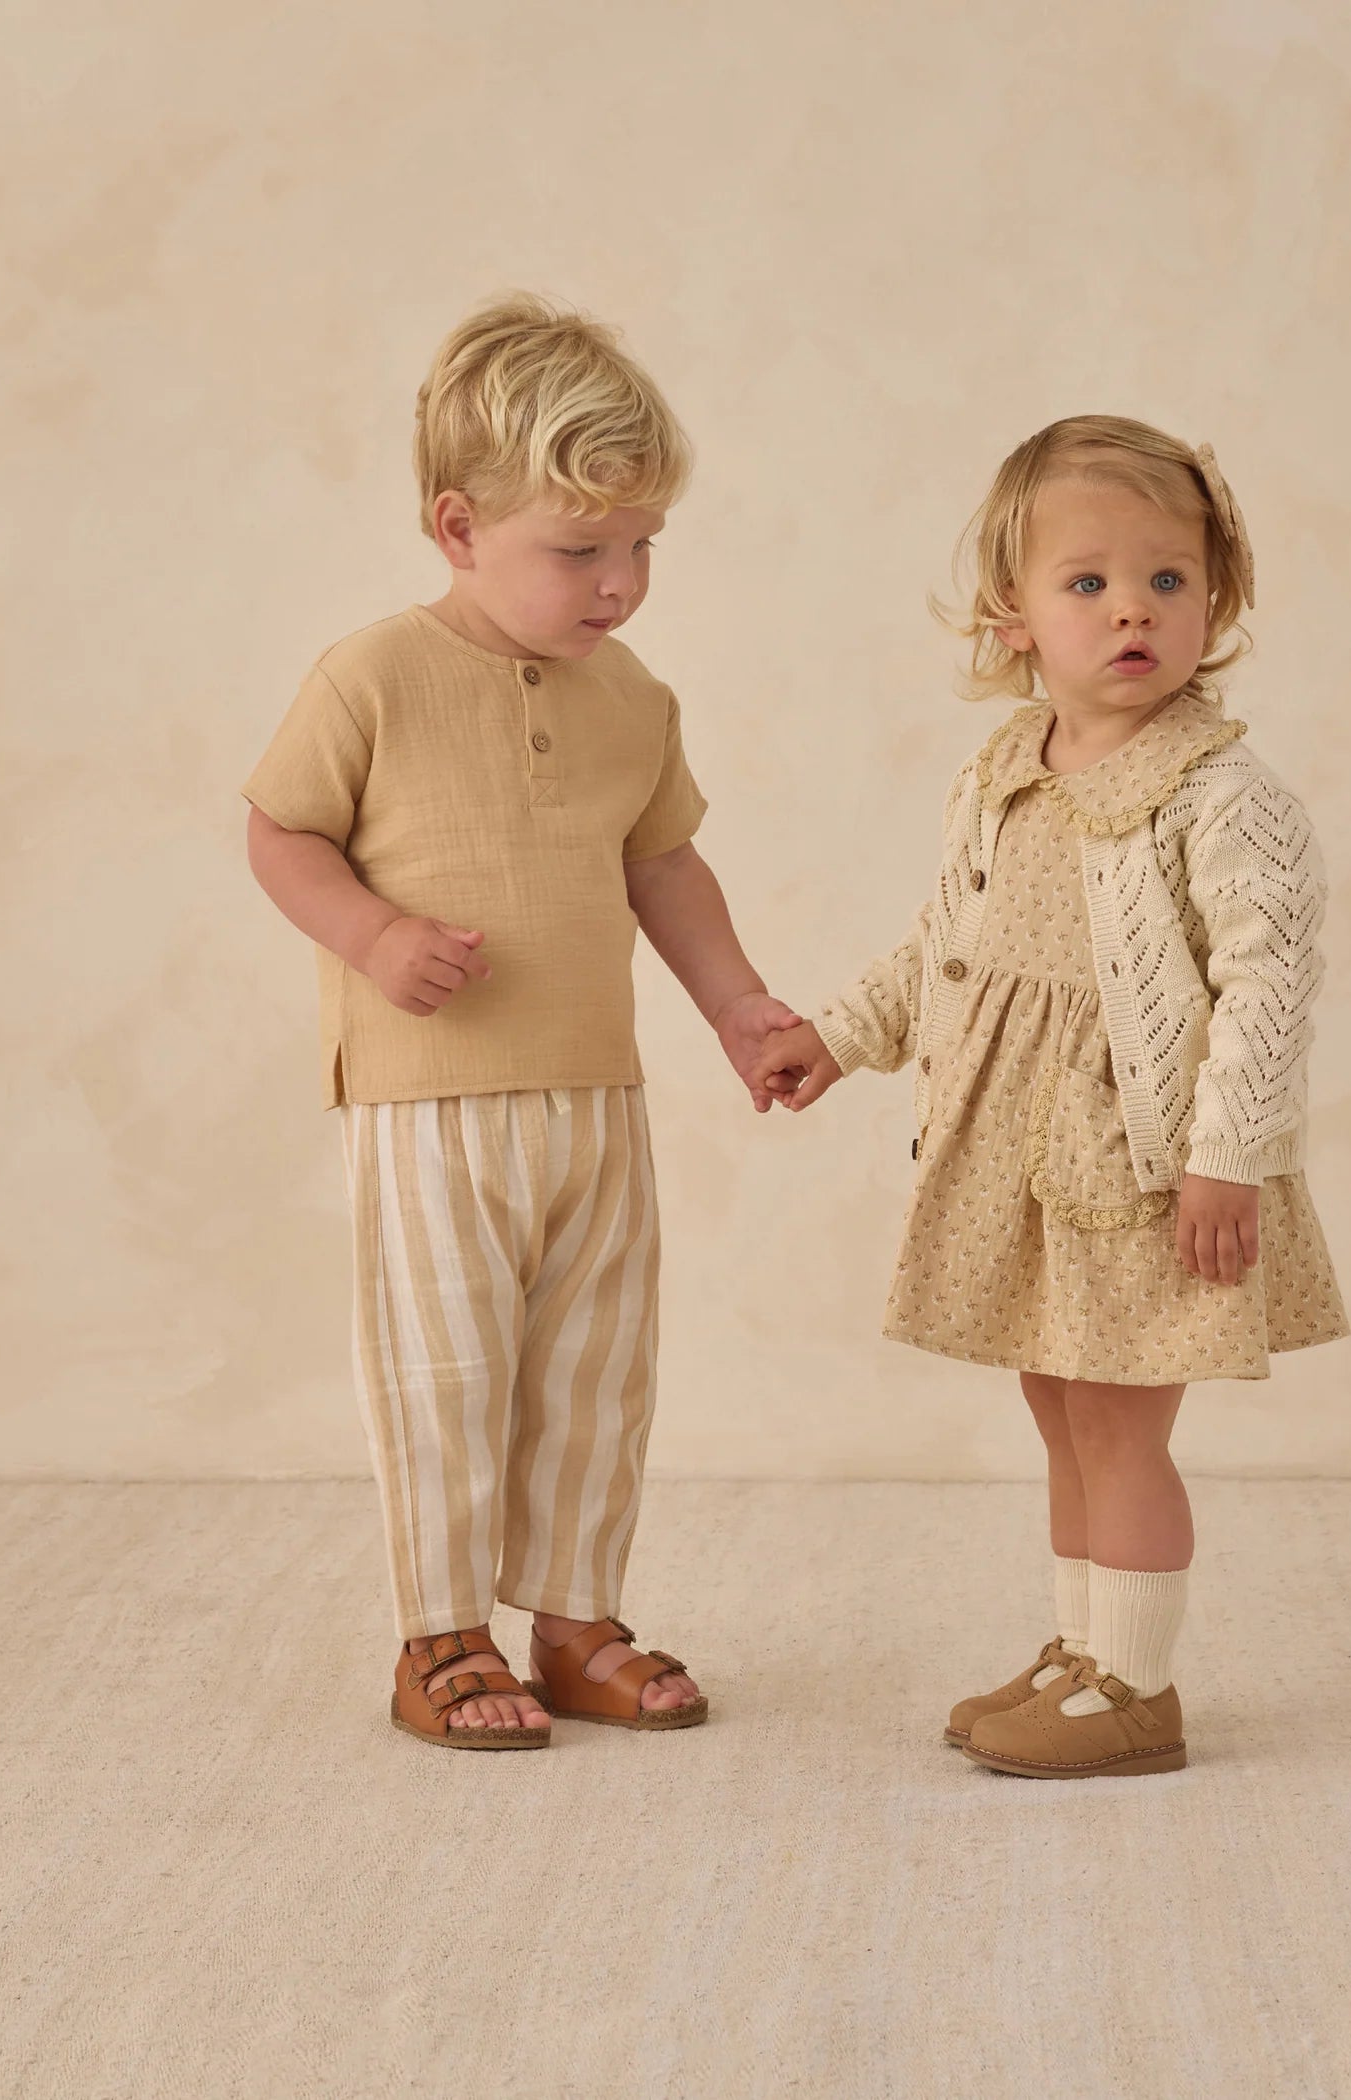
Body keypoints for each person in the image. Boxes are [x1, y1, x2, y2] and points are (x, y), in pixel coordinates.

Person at [751, 416, 1348, 1777]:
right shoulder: (1004, 771)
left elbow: (1267, 989)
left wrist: (1226, 1157)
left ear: (1215, 602)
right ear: (1012, 615)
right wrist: (839, 1038)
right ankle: (1087, 1650)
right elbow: (945, 944)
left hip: (1139, 1170)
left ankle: (1137, 1689)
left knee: (1122, 1421)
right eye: (1088, 582)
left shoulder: (1219, 793)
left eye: (1167, 580)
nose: (1132, 608)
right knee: (1062, 1407)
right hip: (1022, 1165)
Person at [243, 293, 798, 1748]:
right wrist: (373, 936)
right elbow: (282, 833)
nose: (620, 584)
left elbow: (663, 864)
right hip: (427, 1100)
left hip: (595, 1095)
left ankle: (573, 1620)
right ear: (457, 526)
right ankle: (440, 1634)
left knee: (596, 1370)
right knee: (445, 1372)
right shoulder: (371, 676)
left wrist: (739, 1007)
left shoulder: (634, 699)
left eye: (643, 547)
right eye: (580, 550)